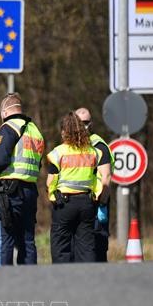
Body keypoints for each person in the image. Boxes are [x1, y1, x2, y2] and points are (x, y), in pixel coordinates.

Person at [0, 93, 44, 265]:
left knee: (5, 239)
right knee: (27, 240)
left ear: (4, 112)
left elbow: (0, 159)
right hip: (30, 191)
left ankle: (4, 281)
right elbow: (38, 164)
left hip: (8, 192)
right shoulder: (35, 131)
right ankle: (28, 280)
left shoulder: (9, 127)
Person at [46, 112, 108, 263]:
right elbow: (102, 177)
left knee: (61, 246)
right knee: (86, 245)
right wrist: (97, 197)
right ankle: (87, 279)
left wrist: (53, 196)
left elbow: (50, 182)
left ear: (64, 132)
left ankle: (63, 280)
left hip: (64, 204)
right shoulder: (93, 152)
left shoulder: (58, 152)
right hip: (87, 203)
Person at [75, 107, 113, 262]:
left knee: (98, 244)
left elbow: (106, 177)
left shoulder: (99, 145)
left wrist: (102, 203)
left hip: (98, 200)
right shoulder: (73, 145)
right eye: (80, 122)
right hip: (80, 200)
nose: (84, 126)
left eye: (86, 122)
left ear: (91, 123)